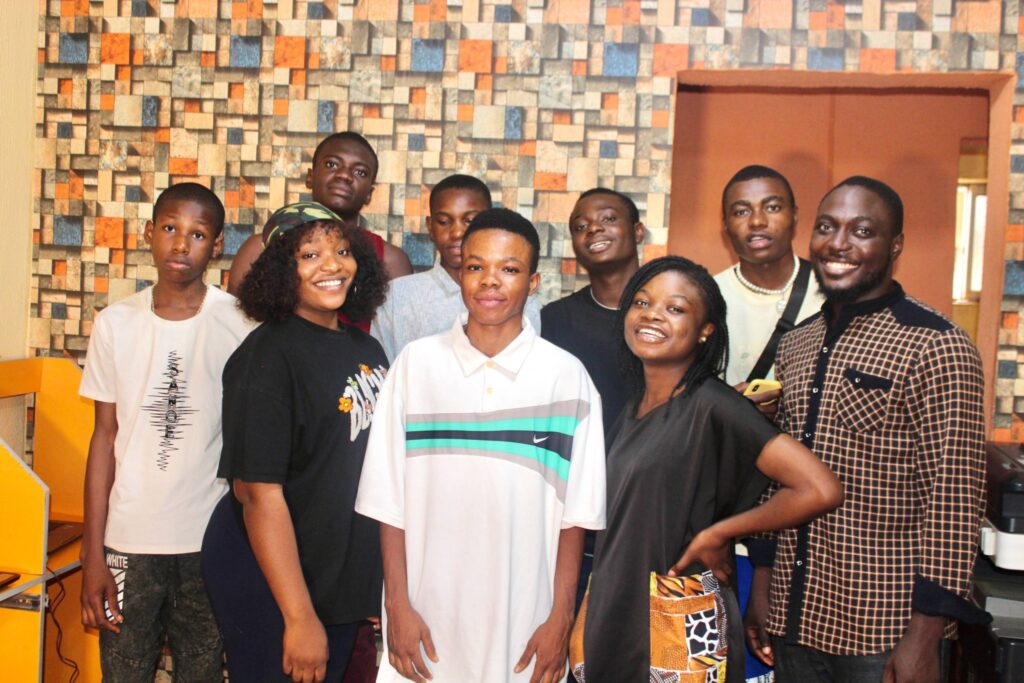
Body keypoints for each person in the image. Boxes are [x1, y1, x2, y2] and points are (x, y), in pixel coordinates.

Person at [744, 177, 989, 683]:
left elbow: (955, 500)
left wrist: (925, 636)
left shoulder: (936, 345)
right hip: (794, 611)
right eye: (827, 227)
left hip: (884, 628)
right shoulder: (798, 343)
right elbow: (777, 477)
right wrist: (762, 585)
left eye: (862, 231)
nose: (838, 244)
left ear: (895, 245)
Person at [355, 208, 607, 683]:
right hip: (425, 625)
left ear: (533, 283)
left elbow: (575, 520)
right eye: (476, 266)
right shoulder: (415, 366)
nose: (490, 280)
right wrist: (396, 606)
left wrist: (560, 618)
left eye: (509, 268)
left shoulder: (566, 377)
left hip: (525, 625)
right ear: (461, 275)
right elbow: (389, 507)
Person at [575, 256, 843, 682]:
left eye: (675, 308)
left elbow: (820, 488)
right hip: (618, 604)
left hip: (677, 613)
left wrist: (718, 533)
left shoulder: (714, 405)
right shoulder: (634, 404)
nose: (652, 315)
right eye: (642, 302)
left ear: (706, 330)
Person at [202, 202, 389, 682]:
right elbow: (257, 494)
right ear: (281, 271)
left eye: (342, 251)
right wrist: (299, 616)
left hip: (333, 573)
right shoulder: (266, 357)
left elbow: (364, 471)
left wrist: (368, 583)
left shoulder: (367, 349)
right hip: (273, 579)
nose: (332, 265)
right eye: (309, 255)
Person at [79, 182, 254, 681]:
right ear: (148, 233)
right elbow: (104, 438)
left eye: (197, 234)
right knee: (123, 671)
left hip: (209, 542)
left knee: (202, 672)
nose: (181, 244)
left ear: (216, 245)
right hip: (127, 542)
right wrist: (94, 553)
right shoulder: (115, 324)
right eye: (170, 228)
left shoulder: (240, 324)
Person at [227, 131, 411, 306]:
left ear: (369, 194)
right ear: (310, 177)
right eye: (332, 164)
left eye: (360, 172)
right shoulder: (259, 248)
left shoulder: (391, 260)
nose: (344, 175)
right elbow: (233, 323)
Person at [371, 174, 541, 361]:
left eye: (470, 220)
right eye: (444, 222)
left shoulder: (522, 300)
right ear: (430, 226)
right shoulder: (396, 295)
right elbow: (379, 369)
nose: (457, 232)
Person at [714, 165, 823, 405]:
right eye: (742, 211)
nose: (757, 221)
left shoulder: (831, 291)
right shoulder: (707, 298)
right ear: (726, 225)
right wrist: (732, 409)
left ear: (794, 215)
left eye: (772, 207)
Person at [541, 187, 644, 434]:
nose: (594, 228)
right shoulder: (555, 319)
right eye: (581, 226)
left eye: (608, 218)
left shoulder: (669, 314)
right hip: (581, 455)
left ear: (638, 231)